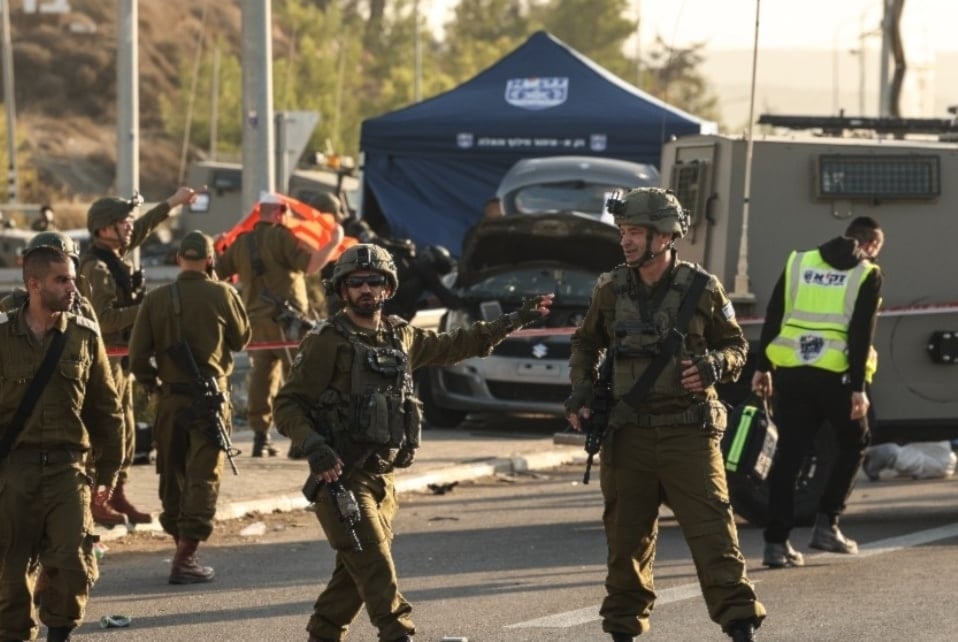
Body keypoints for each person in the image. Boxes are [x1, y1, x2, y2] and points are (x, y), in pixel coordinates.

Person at [273, 243, 553, 642]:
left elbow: (456, 344)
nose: (366, 289)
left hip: (383, 478)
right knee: (375, 566)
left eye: (375, 282)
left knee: (356, 571)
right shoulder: (327, 342)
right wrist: (313, 446)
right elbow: (287, 405)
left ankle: (323, 633)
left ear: (388, 289)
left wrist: (513, 320)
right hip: (340, 478)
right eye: (356, 283)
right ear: (342, 290)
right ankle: (398, 633)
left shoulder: (400, 336)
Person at [565, 187, 765, 642]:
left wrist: (715, 366)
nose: (626, 241)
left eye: (635, 232)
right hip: (627, 434)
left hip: (688, 434)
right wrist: (580, 391)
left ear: (666, 236)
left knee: (714, 534)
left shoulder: (702, 287)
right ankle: (623, 630)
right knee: (626, 542)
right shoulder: (611, 288)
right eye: (623, 232)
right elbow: (585, 343)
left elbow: (736, 346)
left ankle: (740, 625)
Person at [0, 244, 124, 642]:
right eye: (62, 279)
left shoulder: (83, 336)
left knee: (72, 560)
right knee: (8, 568)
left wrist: (108, 474)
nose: (73, 287)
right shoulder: (3, 334)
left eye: (73, 278)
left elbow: (107, 409)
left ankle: (60, 633)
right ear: (34, 284)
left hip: (67, 468)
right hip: (11, 470)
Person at [751, 215, 884, 568]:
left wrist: (762, 366)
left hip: (792, 372)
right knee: (855, 441)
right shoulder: (866, 273)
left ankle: (776, 544)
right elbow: (860, 334)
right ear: (870, 244)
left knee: (790, 453)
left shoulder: (800, 261)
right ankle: (828, 523)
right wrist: (859, 388)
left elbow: (774, 313)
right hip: (837, 376)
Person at [128, 231, 251, 584]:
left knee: (171, 472)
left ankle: (180, 545)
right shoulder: (223, 293)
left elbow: (138, 356)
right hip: (211, 401)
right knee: (204, 476)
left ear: (179, 258)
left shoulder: (157, 298)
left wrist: (154, 385)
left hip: (171, 400)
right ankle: (186, 557)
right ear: (210, 261)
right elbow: (242, 339)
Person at [79, 187, 199, 526]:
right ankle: (95, 498)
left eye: (127, 221)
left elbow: (144, 226)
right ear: (104, 228)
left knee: (128, 431)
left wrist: (173, 202)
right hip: (105, 359)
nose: (129, 226)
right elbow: (104, 319)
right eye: (122, 221)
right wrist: (148, 307)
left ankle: (116, 492)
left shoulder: (114, 255)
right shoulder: (97, 268)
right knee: (107, 430)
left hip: (122, 360)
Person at [216, 193, 344, 458]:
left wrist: (218, 247)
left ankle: (260, 438)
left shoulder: (241, 243)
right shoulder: (282, 237)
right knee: (298, 379)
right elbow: (310, 265)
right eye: (285, 213)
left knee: (261, 379)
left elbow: (217, 273)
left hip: (255, 324)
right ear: (277, 213)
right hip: (288, 325)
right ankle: (299, 440)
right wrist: (334, 242)